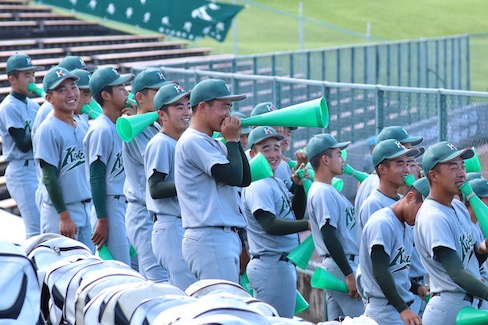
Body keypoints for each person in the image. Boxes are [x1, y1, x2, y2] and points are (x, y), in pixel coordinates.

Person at [174, 78, 251, 283]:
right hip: (209, 237)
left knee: (227, 307)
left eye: (230, 107)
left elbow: (244, 178)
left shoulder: (212, 141)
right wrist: (233, 140)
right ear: (203, 107)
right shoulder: (193, 139)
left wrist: (234, 142)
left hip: (220, 237)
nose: (229, 114)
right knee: (222, 308)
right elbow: (233, 177)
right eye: (223, 107)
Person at [415, 141, 488, 325]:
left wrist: (482, 249)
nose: (462, 173)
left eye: (462, 166)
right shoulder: (433, 215)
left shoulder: (457, 206)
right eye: (453, 167)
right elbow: (456, 273)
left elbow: (469, 262)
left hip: (468, 305)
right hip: (448, 309)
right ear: (433, 175)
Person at [242, 126, 308, 318]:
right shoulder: (258, 185)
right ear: (253, 154)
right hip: (271, 265)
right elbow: (270, 224)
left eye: (276, 148)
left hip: (277, 265)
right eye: (266, 149)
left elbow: (295, 212)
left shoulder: (274, 180)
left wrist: (299, 187)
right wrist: (309, 225)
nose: (273, 154)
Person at [32, 66, 94, 251]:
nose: (71, 93)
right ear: (49, 98)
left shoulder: (82, 124)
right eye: (62, 90)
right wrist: (64, 215)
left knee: (88, 270)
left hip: (84, 207)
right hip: (61, 211)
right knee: (60, 271)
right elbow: (49, 177)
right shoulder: (48, 129)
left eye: (73, 87)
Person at [306, 133, 364, 321]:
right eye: (338, 154)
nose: (342, 159)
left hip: (337, 265)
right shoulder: (322, 191)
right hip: (341, 266)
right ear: (325, 159)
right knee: (364, 321)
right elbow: (329, 235)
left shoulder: (327, 189)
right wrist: (349, 274)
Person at [145, 82, 197, 289]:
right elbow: (155, 188)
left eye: (187, 106)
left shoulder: (183, 141)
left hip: (182, 224)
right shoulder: (160, 143)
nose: (186, 112)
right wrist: (193, 183)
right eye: (179, 107)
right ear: (162, 115)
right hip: (170, 225)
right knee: (185, 292)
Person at [359, 178, 430, 325]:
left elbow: (396, 272)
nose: (420, 219)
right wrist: (403, 308)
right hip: (384, 310)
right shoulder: (382, 222)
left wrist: (418, 288)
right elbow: (380, 271)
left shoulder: (406, 227)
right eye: (421, 211)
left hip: (395, 308)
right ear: (410, 198)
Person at [122, 68, 169, 282]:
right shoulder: (134, 128)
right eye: (156, 92)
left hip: (158, 212)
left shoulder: (157, 125)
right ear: (139, 97)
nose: (163, 97)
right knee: (156, 280)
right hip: (143, 211)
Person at [84, 66, 134, 265]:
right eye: (120, 87)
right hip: (110, 205)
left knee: (135, 269)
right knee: (121, 271)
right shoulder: (101, 129)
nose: (126, 92)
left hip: (125, 204)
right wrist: (103, 219)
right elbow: (96, 177)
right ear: (106, 94)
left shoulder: (121, 124)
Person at [0, 53, 44, 238]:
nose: (31, 79)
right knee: (35, 230)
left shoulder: (33, 106)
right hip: (21, 171)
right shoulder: (8, 106)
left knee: (45, 227)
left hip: (36, 169)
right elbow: (23, 144)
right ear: (12, 79)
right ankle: (29, 266)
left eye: (32, 74)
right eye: (26, 75)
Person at [357, 139, 420, 242]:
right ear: (382, 169)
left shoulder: (401, 200)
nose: (406, 170)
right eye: (400, 164)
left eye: (406, 164)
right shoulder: (373, 203)